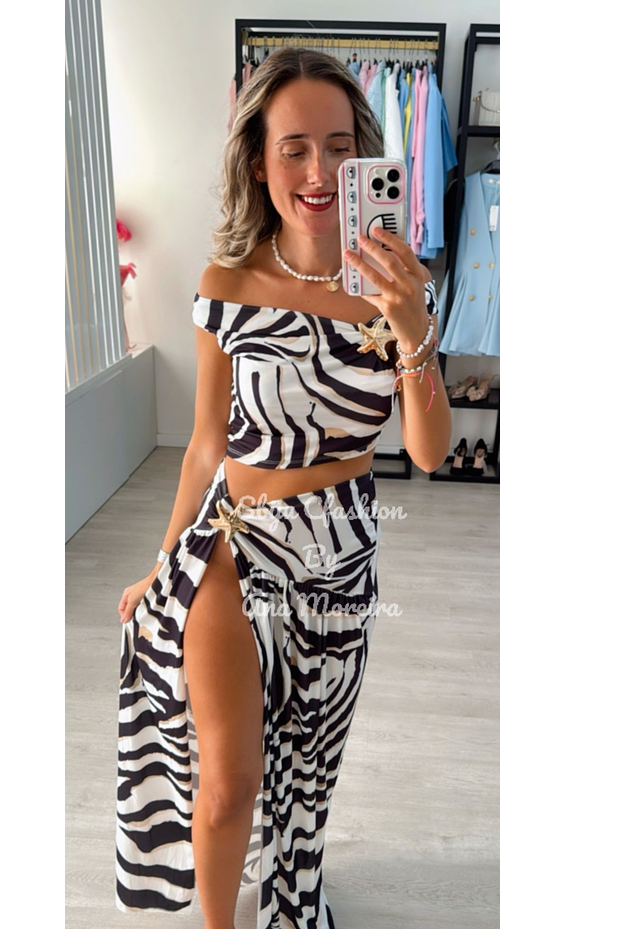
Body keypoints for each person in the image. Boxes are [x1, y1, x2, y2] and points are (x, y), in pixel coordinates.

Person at [115, 47, 451, 929]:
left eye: (339, 147)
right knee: (231, 781)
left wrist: (411, 328)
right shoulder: (225, 284)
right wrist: (163, 563)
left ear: (365, 158)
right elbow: (203, 445)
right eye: (293, 148)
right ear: (258, 163)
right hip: (234, 542)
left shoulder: (399, 286)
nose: (318, 172)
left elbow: (427, 452)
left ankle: (292, 889)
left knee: (305, 773)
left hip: (340, 556)